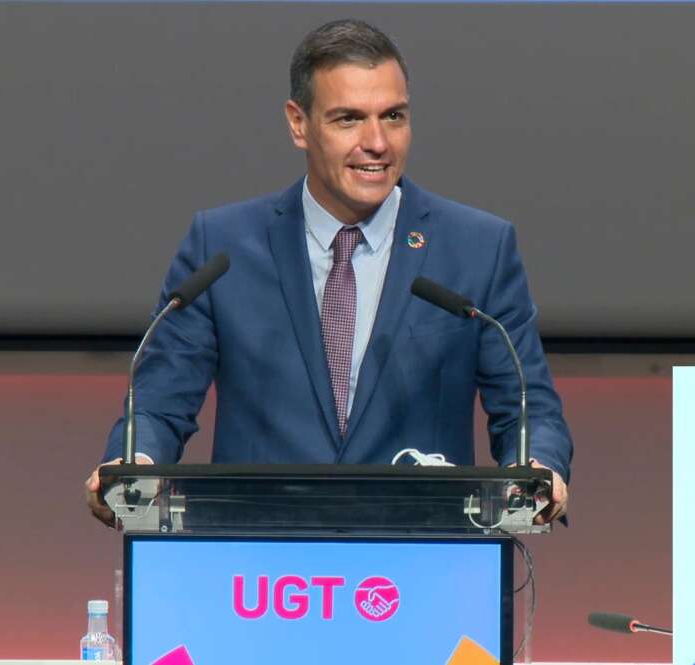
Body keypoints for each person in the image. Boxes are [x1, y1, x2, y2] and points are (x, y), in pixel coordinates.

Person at [86, 19, 572, 525]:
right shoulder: (222, 248)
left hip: (423, 560)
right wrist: (134, 463)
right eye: (348, 119)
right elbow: (160, 401)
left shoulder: (477, 248)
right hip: (257, 569)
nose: (377, 142)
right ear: (299, 123)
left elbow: (526, 406)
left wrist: (536, 466)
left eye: (394, 116)